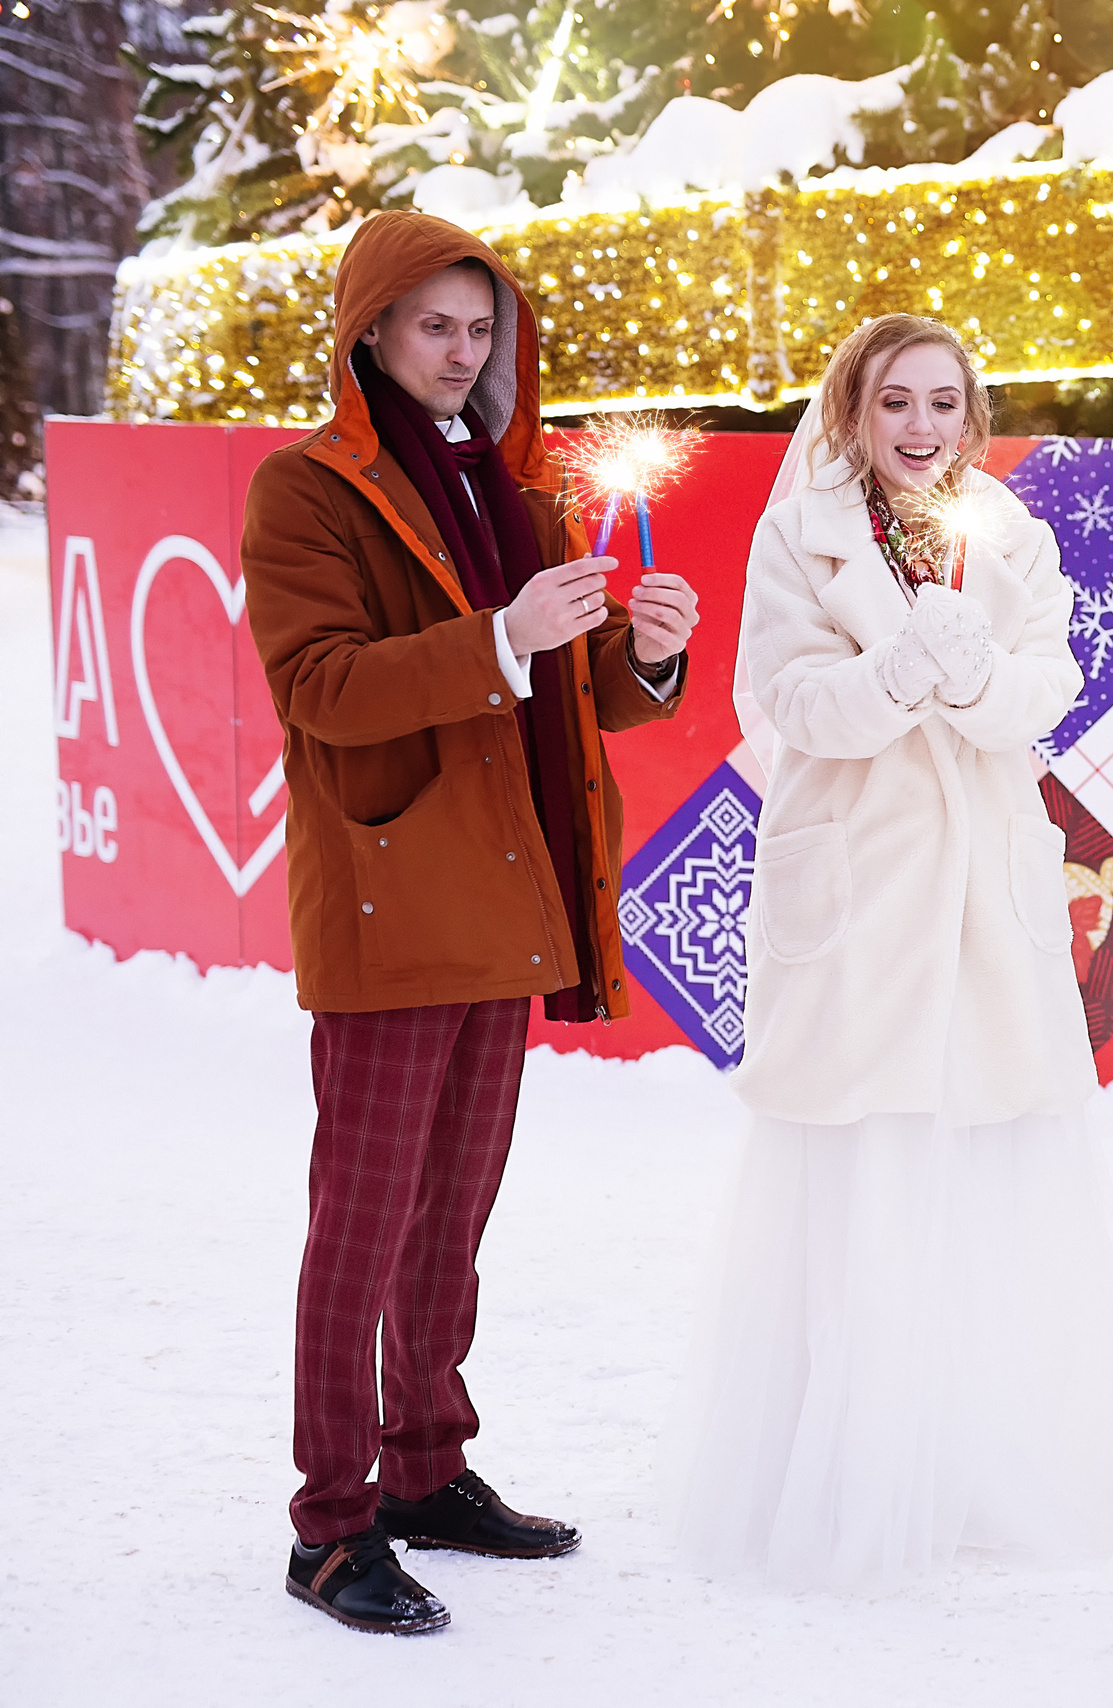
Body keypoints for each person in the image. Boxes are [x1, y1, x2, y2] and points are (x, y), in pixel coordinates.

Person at [240, 211, 699, 1634]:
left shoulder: (519, 490)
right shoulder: (304, 489)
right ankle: (330, 1525)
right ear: (370, 329)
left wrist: (647, 659)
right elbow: (322, 687)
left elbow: (570, 700)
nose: (462, 350)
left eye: (480, 326)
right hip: (392, 902)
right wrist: (506, 636)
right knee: (361, 1228)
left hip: (509, 899)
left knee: (453, 1216)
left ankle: (427, 1470)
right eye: (434, 324)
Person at [667, 314, 1113, 1589]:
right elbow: (785, 703)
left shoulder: (1013, 535)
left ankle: (973, 1457)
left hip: (980, 904)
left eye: (943, 403)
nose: (920, 429)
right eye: (895, 402)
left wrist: (969, 680)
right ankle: (847, 1465)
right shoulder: (800, 532)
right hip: (856, 899)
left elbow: (1043, 687)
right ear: (854, 407)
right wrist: (896, 670)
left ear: (971, 413)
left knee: (979, 1157)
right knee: (866, 1162)